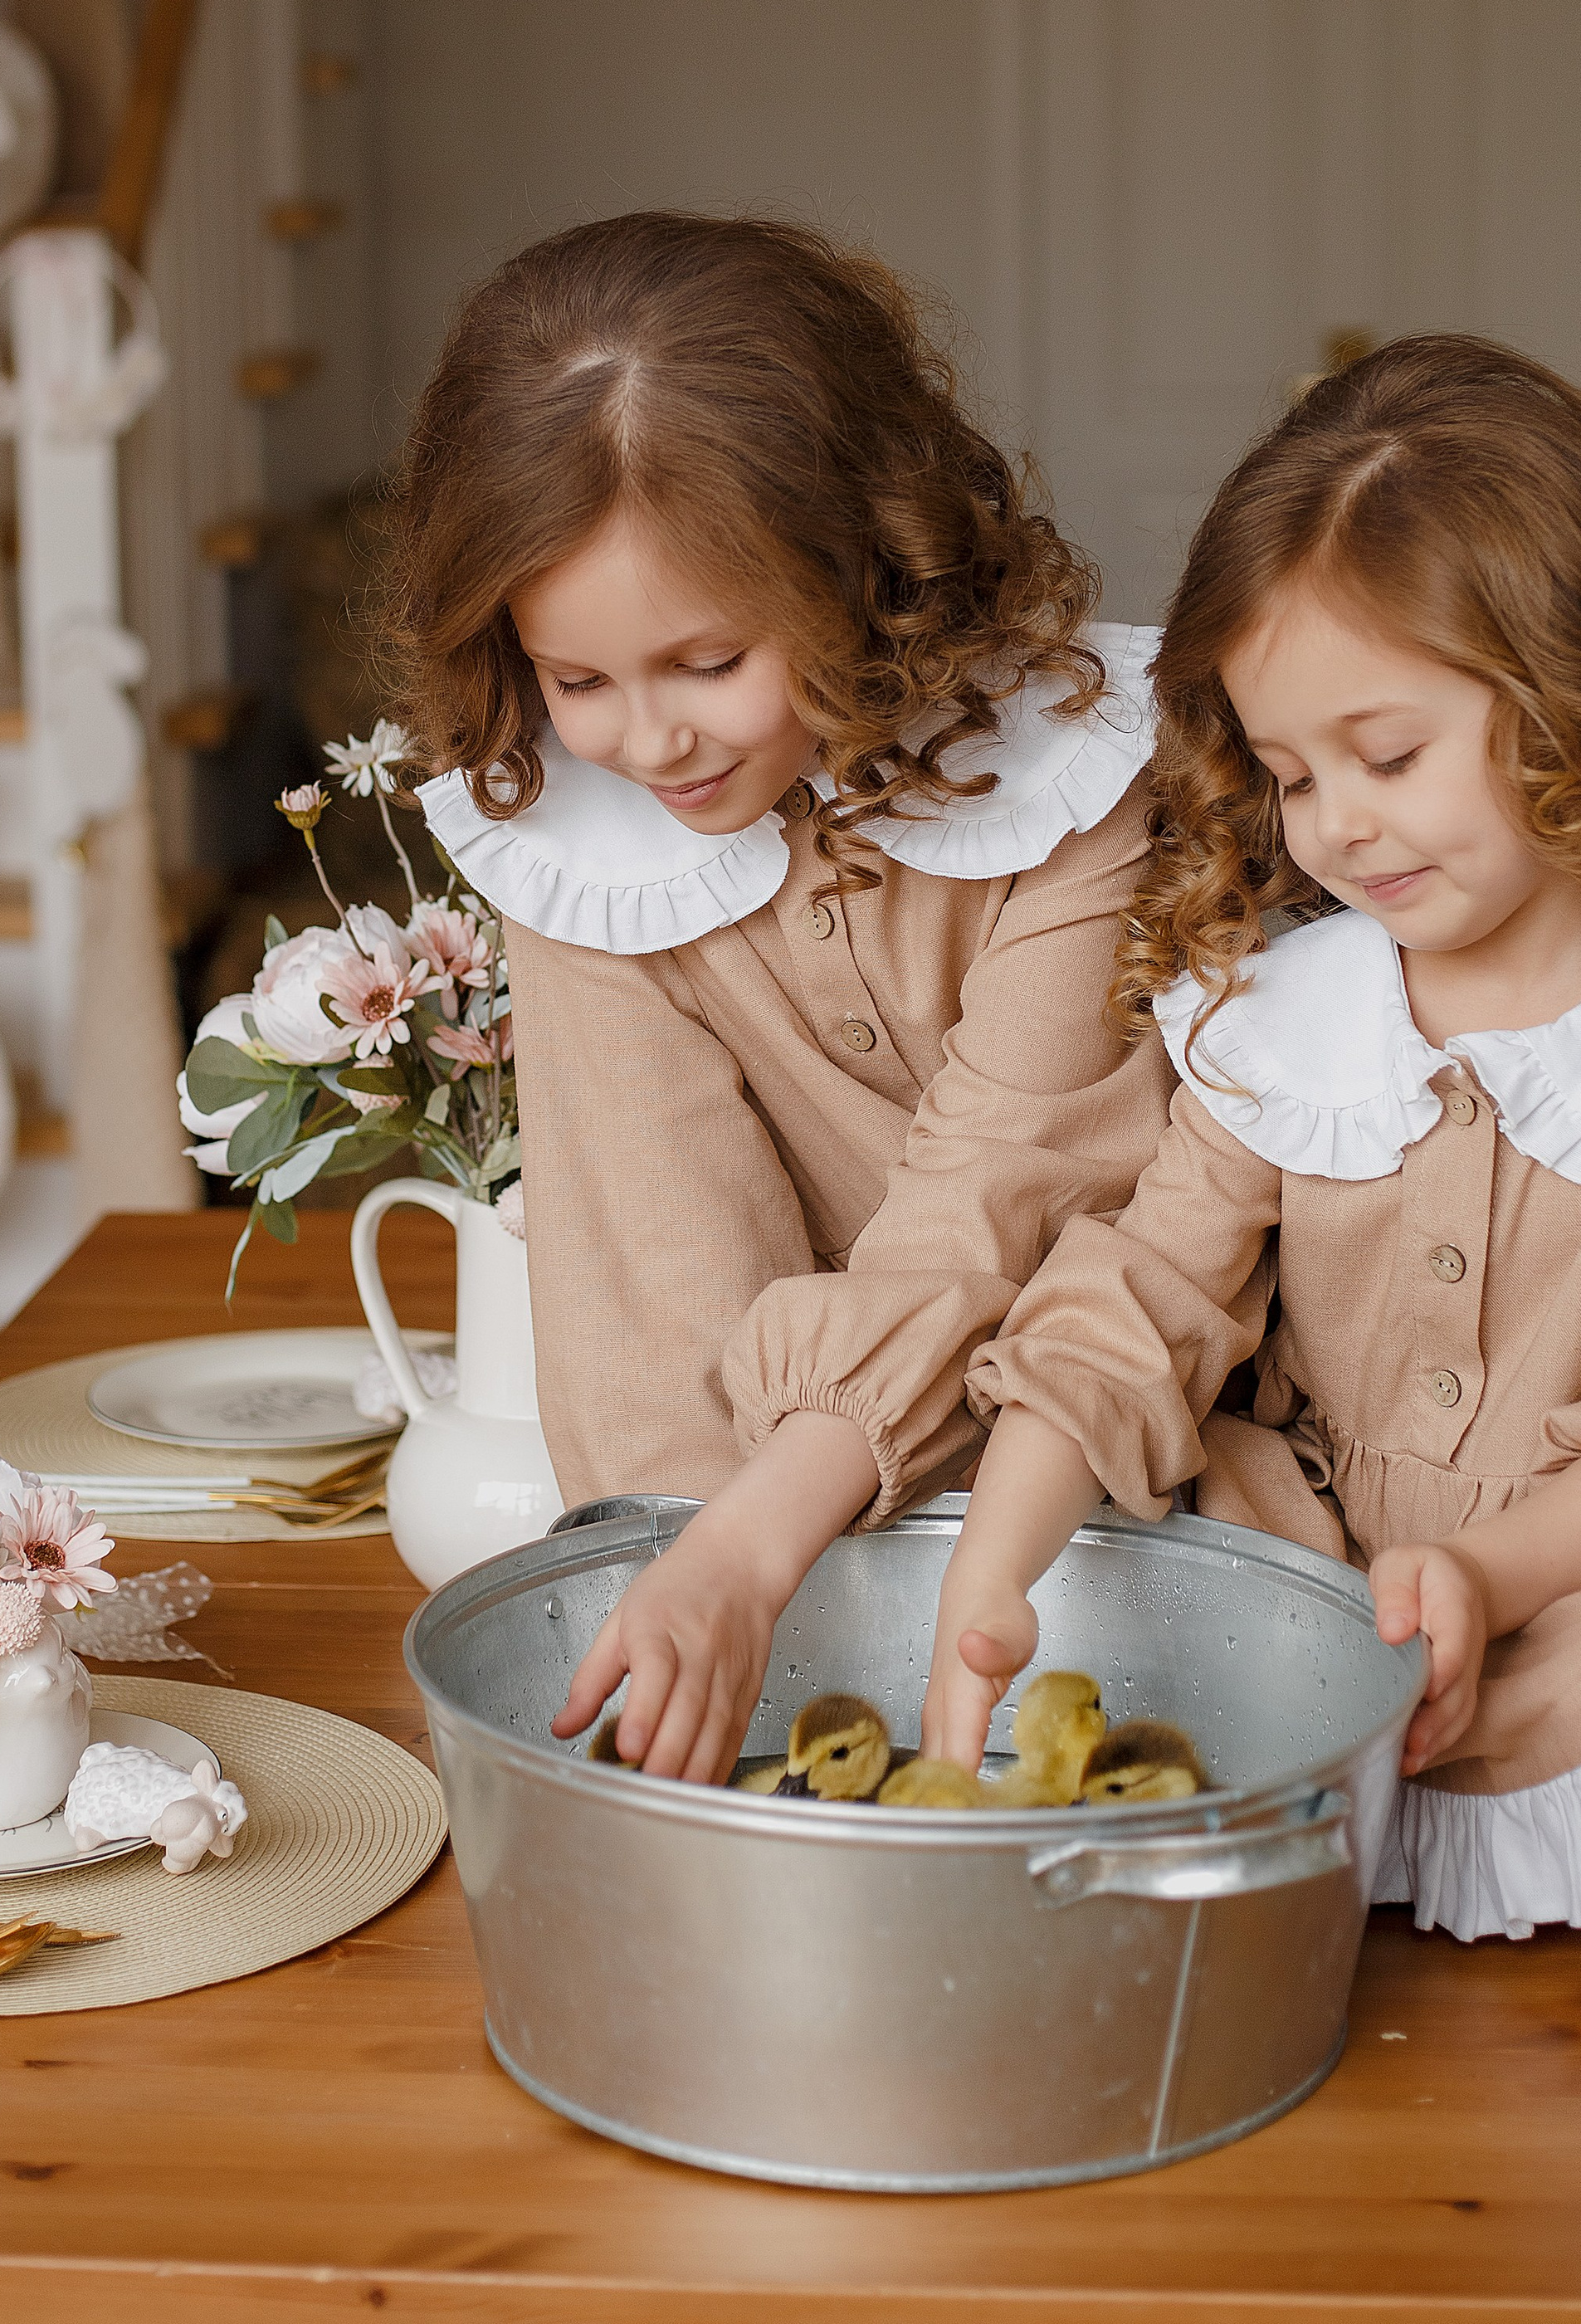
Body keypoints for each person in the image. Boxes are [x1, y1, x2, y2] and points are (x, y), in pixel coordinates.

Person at [925, 331, 1581, 1940]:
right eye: (1287, 776)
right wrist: (987, 1571)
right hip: (1323, 1566)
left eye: (1388, 756)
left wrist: (1490, 1581)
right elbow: (1136, 1302)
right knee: (1173, 1500)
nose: (1333, 824)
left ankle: (1548, 1797)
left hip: (1571, 1582)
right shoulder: (1282, 1024)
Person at [394, 212, 1172, 1784]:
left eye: (709, 659)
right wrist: (698, 1589)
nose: (652, 741)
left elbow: (1005, 1207)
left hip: (1109, 1465)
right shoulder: (580, 849)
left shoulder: (1076, 787)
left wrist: (756, 1549)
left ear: (865, 564)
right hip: (784, 1520)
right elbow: (652, 1277)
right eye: (579, 680)